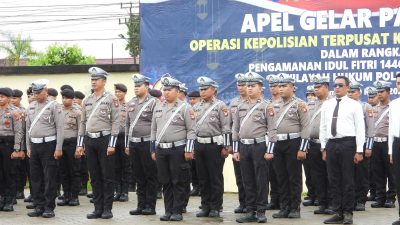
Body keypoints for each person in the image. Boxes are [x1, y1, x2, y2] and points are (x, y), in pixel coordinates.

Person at [75, 67, 120, 219]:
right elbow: (82, 123)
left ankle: (107, 209)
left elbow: (116, 122)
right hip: (90, 140)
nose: (93, 82)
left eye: (96, 79)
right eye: (92, 80)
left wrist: (112, 144)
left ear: (104, 81)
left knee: (107, 175)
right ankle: (97, 208)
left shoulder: (111, 99)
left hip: (105, 139)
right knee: (94, 176)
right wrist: (80, 144)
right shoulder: (87, 100)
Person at [232, 72, 277, 223]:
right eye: (248, 86)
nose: (249, 88)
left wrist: (270, 150)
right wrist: (236, 149)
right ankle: (250, 210)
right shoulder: (240, 106)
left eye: (253, 86)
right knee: (247, 180)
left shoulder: (266, 106)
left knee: (261, 179)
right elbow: (235, 129)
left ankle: (261, 211)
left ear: (260, 88)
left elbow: (272, 130)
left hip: (259, 146)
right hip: (244, 146)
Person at [320, 76, 365, 224]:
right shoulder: (327, 105)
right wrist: (323, 147)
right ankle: (337, 212)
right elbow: (324, 127)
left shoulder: (354, 105)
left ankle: (347, 213)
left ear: (347, 87)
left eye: (340, 85)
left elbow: (360, 129)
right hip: (332, 144)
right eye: (335, 85)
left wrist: (359, 151)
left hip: (348, 144)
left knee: (347, 180)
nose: (337, 88)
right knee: (333, 180)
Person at [151, 77, 196, 221]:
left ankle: (177, 211)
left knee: (178, 181)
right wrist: (153, 149)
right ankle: (168, 210)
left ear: (177, 91)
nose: (166, 92)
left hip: (178, 149)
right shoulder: (158, 107)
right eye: (164, 89)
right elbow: (153, 130)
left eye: (169, 90)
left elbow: (191, 130)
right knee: (165, 181)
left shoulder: (185, 107)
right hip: (161, 150)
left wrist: (189, 149)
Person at [270, 74, 309, 219]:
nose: (281, 89)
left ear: (292, 88)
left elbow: (306, 126)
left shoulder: (300, 104)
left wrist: (302, 148)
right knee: (281, 176)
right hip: (277, 144)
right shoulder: (274, 104)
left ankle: (294, 208)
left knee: (294, 177)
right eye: (279, 86)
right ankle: (284, 207)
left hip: (293, 143)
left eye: (284, 86)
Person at [26, 79, 64, 218]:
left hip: (49, 145)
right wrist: (28, 147)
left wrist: (58, 147)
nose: (36, 95)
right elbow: (28, 129)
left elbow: (60, 128)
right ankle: (39, 206)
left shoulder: (54, 106)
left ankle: (49, 207)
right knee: (36, 178)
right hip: (34, 146)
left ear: (46, 92)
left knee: (49, 177)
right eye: (34, 93)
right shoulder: (30, 107)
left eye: (39, 92)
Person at [193, 76, 230, 218]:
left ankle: (215, 207)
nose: (202, 92)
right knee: (202, 177)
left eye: (205, 89)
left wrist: (226, 146)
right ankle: (205, 205)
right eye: (200, 89)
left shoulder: (221, 106)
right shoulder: (196, 107)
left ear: (213, 90)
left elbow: (226, 128)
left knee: (215, 177)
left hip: (215, 146)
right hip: (199, 145)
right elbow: (193, 128)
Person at [126, 74, 158, 216]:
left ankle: (150, 206)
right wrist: (127, 143)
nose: (136, 88)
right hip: (134, 144)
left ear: (147, 87)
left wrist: (154, 146)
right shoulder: (131, 102)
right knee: (138, 175)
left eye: (139, 86)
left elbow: (157, 124)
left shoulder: (154, 102)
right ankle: (141, 205)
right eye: (135, 86)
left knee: (150, 175)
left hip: (147, 143)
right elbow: (127, 124)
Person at [306, 76, 334, 215]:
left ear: (326, 87)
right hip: (313, 144)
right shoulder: (310, 104)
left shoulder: (333, 103)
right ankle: (322, 202)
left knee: (330, 174)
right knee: (317, 175)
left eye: (319, 87)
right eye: (314, 87)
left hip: (328, 144)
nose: (316, 90)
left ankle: (332, 203)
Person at [347, 81, 374, 211]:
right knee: (349, 174)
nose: (351, 94)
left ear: (359, 92)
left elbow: (370, 129)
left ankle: (361, 200)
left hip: (362, 145)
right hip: (348, 145)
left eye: (353, 91)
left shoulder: (366, 106)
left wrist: (368, 147)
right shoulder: (343, 106)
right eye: (349, 92)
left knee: (362, 174)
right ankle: (350, 200)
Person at [371, 80, 396, 208]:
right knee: (378, 172)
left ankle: (391, 197)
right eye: (378, 92)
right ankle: (380, 197)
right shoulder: (373, 109)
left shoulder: (394, 108)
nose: (379, 94)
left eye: (382, 91)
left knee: (391, 171)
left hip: (388, 143)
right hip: (376, 143)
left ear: (388, 92)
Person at [56, 88, 82, 207]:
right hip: (61, 144)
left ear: (72, 99)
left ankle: (74, 196)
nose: (64, 100)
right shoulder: (58, 110)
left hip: (73, 144)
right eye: (63, 98)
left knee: (74, 171)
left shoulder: (77, 112)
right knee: (63, 171)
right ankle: (66, 195)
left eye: (66, 98)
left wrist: (80, 146)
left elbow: (81, 130)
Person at [0, 87, 23, 212]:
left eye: (2, 96)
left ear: (9, 98)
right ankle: (2, 198)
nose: (0, 99)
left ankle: (9, 200)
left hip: (9, 144)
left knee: (9, 172)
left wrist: (17, 149)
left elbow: (19, 132)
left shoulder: (15, 111)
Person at [228, 73, 248, 214]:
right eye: (239, 85)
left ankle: (254, 204)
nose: (241, 88)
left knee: (252, 176)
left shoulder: (259, 103)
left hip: (253, 143)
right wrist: (230, 145)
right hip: (238, 143)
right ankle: (243, 203)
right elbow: (230, 125)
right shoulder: (234, 103)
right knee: (239, 176)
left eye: (244, 85)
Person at [264, 74, 281, 210]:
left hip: (284, 140)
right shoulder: (267, 103)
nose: (273, 88)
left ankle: (285, 200)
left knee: (284, 173)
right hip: (270, 141)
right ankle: (274, 199)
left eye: (275, 85)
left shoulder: (286, 102)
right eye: (271, 86)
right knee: (271, 173)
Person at [113, 83, 131, 202]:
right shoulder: (112, 105)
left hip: (124, 137)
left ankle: (124, 192)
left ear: (124, 93)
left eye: (120, 92)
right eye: (116, 92)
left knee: (125, 166)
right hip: (113, 137)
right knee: (114, 166)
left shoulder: (129, 106)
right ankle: (117, 191)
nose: (118, 94)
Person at [10, 89, 28, 200]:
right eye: (11, 98)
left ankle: (20, 190)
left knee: (21, 169)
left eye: (15, 98)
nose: (12, 100)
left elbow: (23, 130)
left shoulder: (23, 111)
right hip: (9, 143)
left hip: (21, 144)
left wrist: (22, 148)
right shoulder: (7, 110)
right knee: (11, 170)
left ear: (20, 99)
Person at [303, 84, 317, 206]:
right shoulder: (303, 107)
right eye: (309, 95)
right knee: (309, 171)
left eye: (313, 94)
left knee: (319, 171)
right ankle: (311, 194)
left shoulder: (322, 106)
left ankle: (320, 196)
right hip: (307, 143)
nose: (311, 97)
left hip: (318, 143)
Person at [389, 73, 400, 225]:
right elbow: (391, 129)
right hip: (397, 144)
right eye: (398, 82)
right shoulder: (394, 104)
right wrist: (390, 151)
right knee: (399, 181)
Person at [187, 90, 201, 197]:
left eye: (194, 99)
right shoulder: (188, 110)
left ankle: (201, 187)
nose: (192, 101)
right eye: (190, 99)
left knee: (201, 167)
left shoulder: (202, 109)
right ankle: (196, 186)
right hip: (192, 141)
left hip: (201, 141)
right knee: (193, 167)